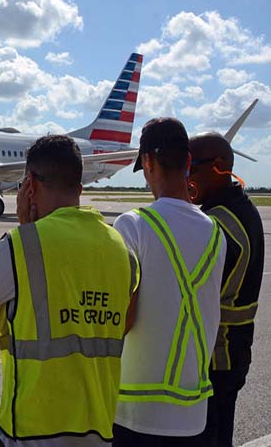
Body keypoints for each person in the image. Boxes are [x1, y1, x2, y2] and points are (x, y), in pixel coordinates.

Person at [0, 135, 140, 447]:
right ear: (80, 188)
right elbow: (124, 322)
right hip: (97, 432)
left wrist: (23, 230)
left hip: (30, 433)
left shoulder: (24, 245)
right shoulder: (122, 251)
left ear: (29, 184)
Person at [112, 118, 227, 446]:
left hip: (137, 415)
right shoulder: (216, 233)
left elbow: (122, 319)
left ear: (147, 162)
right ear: (188, 162)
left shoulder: (132, 226)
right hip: (193, 414)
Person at [188, 132, 264, 447]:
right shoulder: (237, 208)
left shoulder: (219, 223)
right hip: (231, 353)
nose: (186, 178)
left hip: (219, 356)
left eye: (191, 168)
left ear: (219, 166)